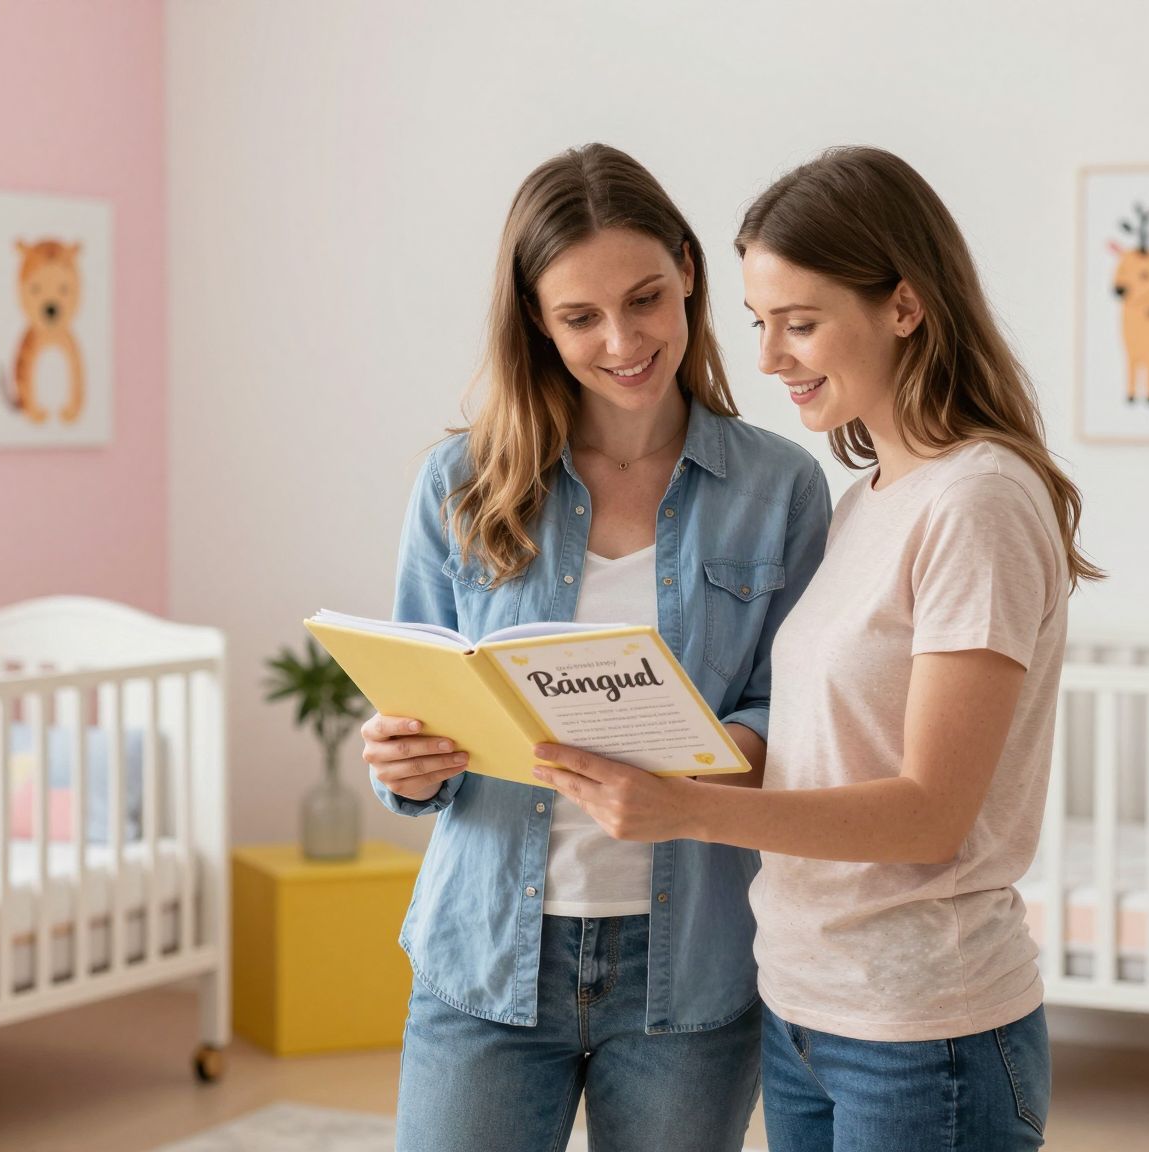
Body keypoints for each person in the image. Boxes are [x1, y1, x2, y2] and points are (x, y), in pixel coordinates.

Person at [534, 145, 1104, 1152]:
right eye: (759, 323)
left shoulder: (977, 502)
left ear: (903, 305)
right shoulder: (867, 502)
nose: (768, 359)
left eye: (800, 324)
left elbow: (931, 813)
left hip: (923, 1028)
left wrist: (680, 807)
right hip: (806, 1009)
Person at [365, 143, 830, 1152]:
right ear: (535, 319)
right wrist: (403, 762)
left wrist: (705, 756)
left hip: (692, 970)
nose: (622, 340)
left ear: (688, 275)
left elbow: (792, 716)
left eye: (645, 298)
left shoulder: (779, 488)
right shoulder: (459, 483)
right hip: (486, 956)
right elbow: (420, 715)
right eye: (579, 316)